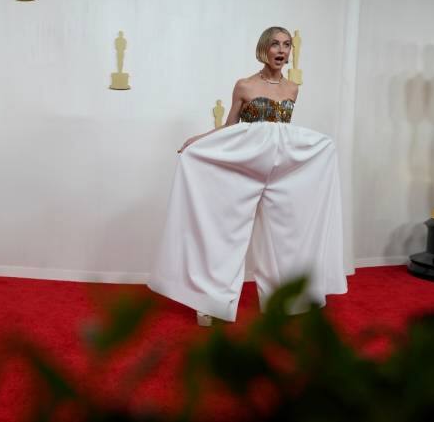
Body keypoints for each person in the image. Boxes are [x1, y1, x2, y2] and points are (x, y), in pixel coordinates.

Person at [148, 26, 347, 326]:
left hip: (281, 168)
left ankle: (288, 299)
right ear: (263, 49)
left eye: (287, 45)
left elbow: (283, 132)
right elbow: (231, 126)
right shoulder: (244, 85)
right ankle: (210, 301)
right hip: (244, 165)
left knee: (287, 232)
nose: (281, 50)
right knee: (224, 232)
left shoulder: (293, 88)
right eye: (275, 45)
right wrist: (200, 140)